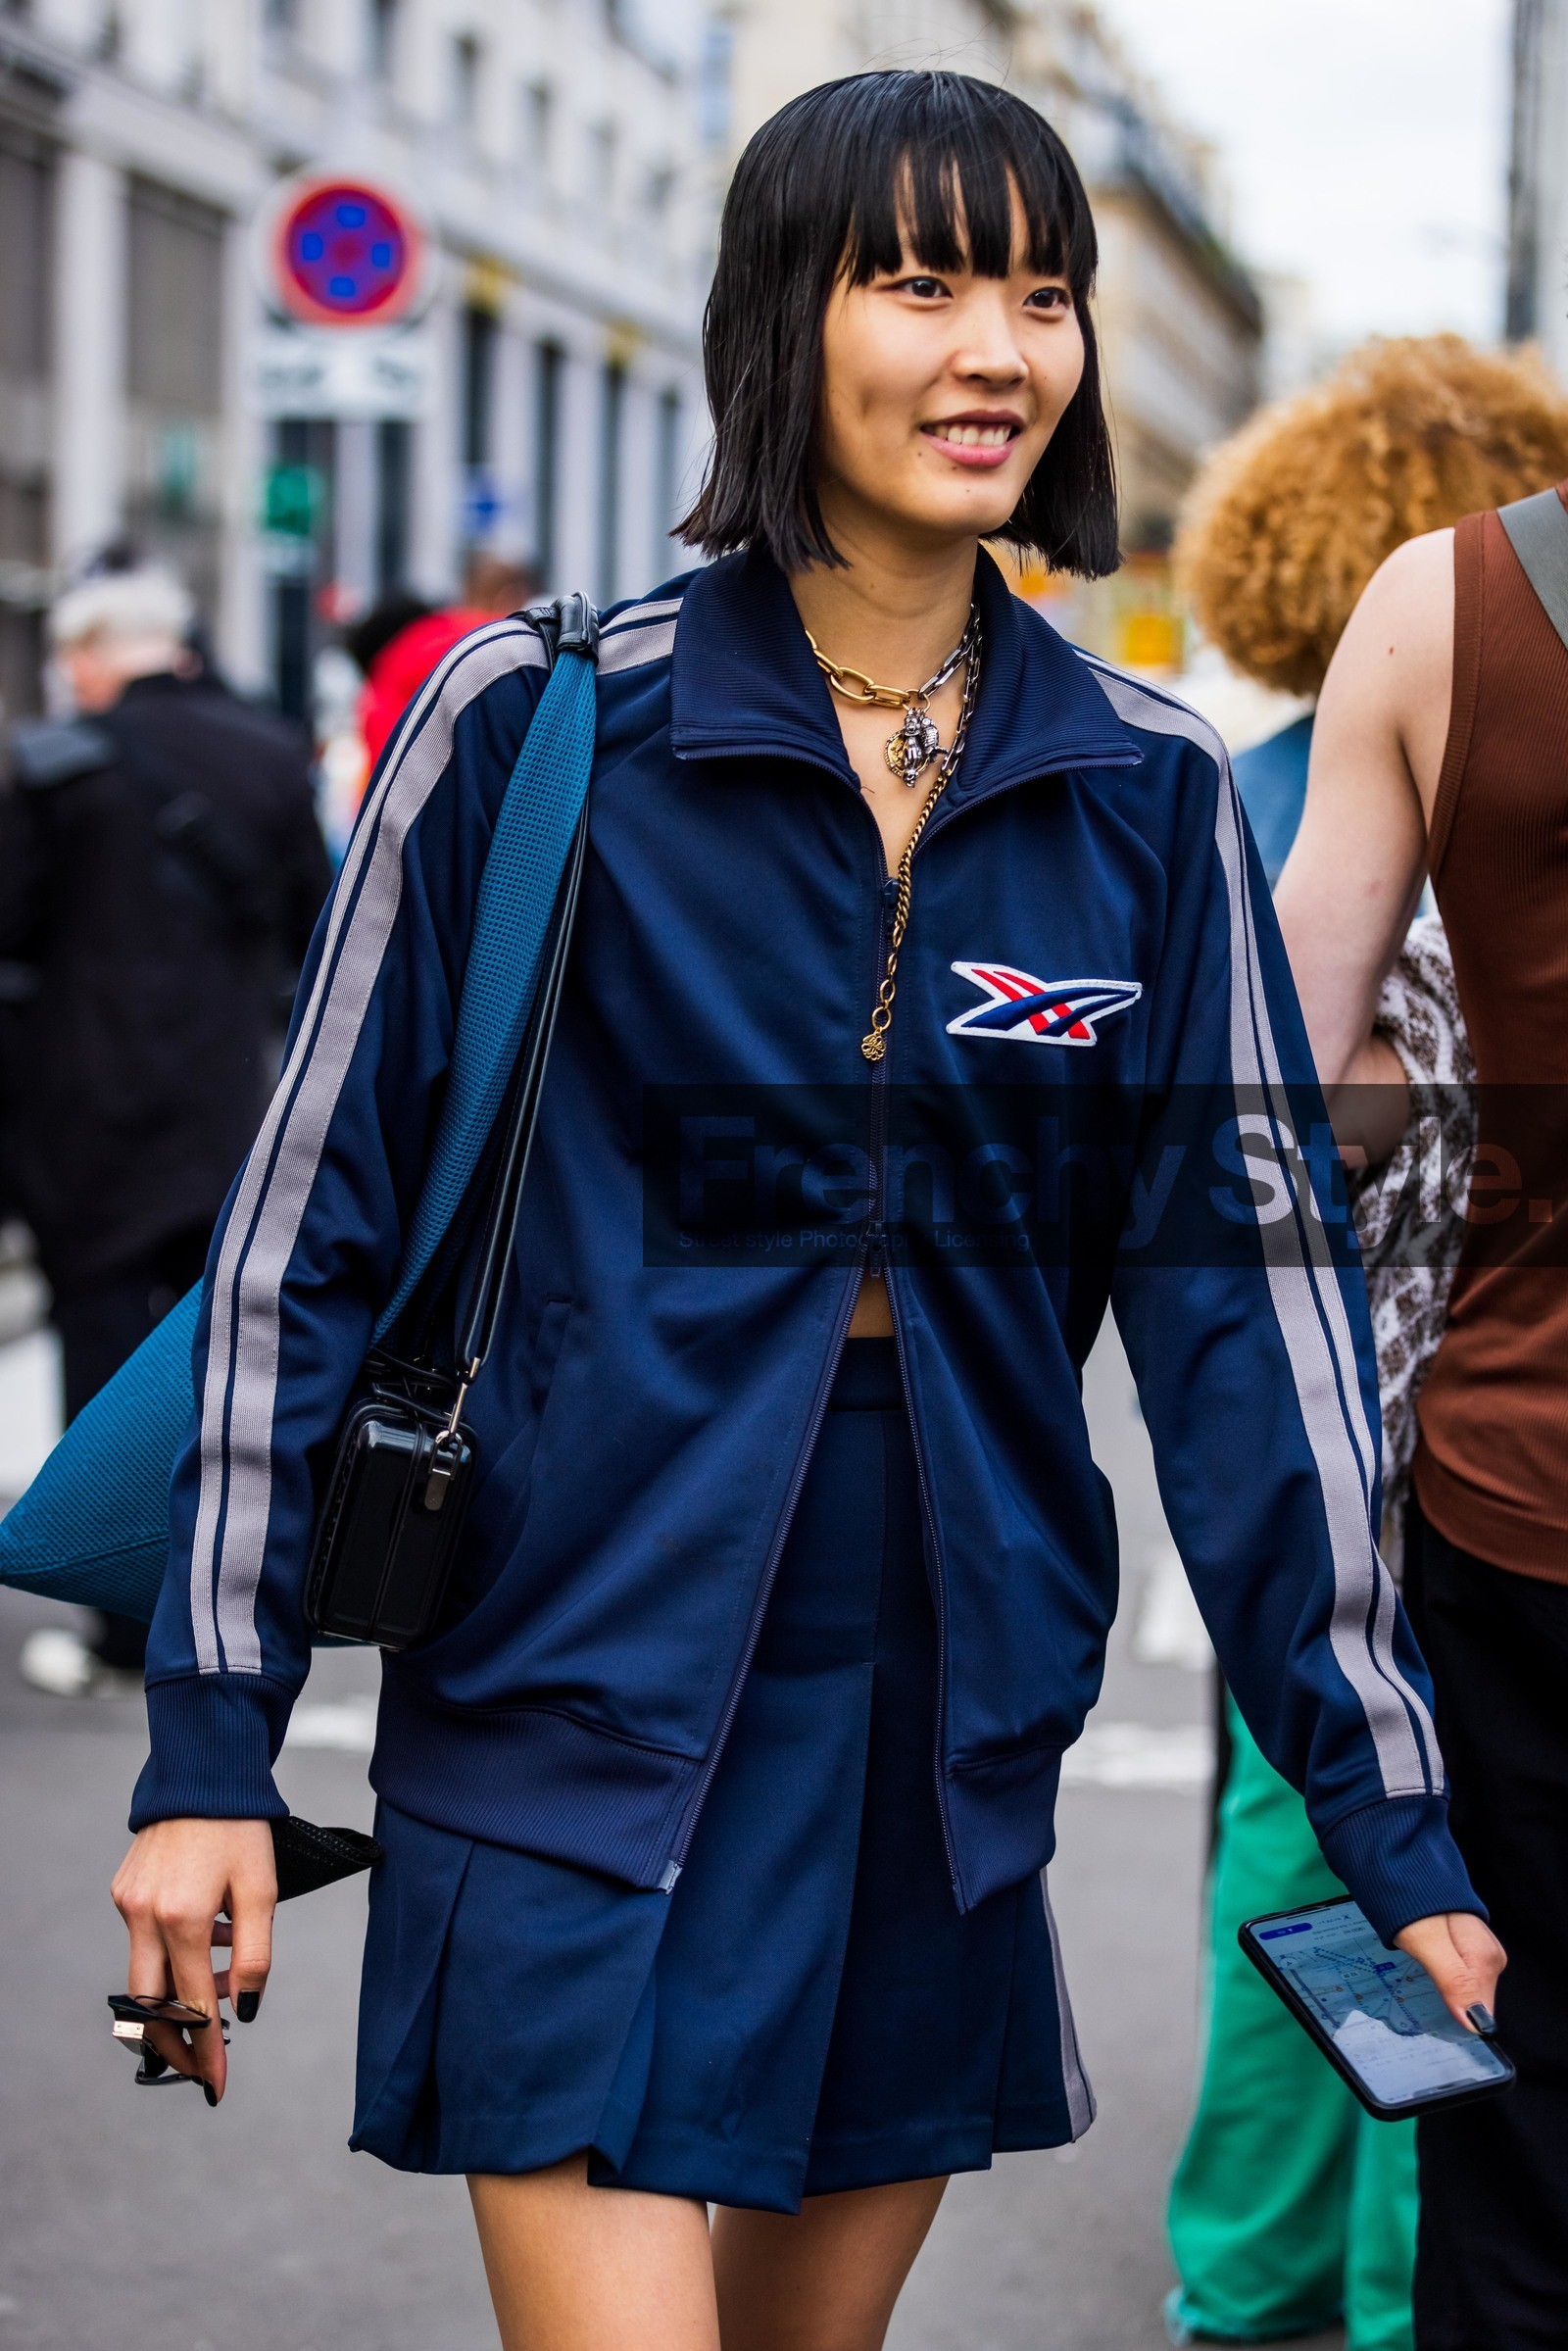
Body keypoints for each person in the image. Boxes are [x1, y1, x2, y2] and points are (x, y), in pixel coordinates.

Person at [111, 73, 1499, 2351]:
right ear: (780, 314)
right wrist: (205, 1749)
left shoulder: (1140, 791)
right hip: (562, 1663)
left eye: (1039, 292)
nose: (997, 349)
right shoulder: (536, 724)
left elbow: (1254, 1340)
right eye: (918, 280)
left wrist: (1384, 1808)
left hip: (943, 1714)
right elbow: (297, 1248)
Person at [1163, 338, 1568, 2351]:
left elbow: (1272, 1113)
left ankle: (1256, 2281)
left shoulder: (1357, 696)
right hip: (1460, 1435)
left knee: (1338, 1864)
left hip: (1436, 1447)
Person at [0, 566, 331, 1693]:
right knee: (229, 1351)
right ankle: (232, 1598)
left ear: (95, 656)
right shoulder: (270, 753)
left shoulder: (59, 765)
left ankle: (111, 1617)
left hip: (82, 1107)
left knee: (99, 1344)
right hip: (227, 1105)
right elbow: (317, 926)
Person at [356, 554, 541, 771]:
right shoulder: (500, 646)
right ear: (509, 596)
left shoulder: (424, 632)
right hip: (425, 769)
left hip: (387, 763)